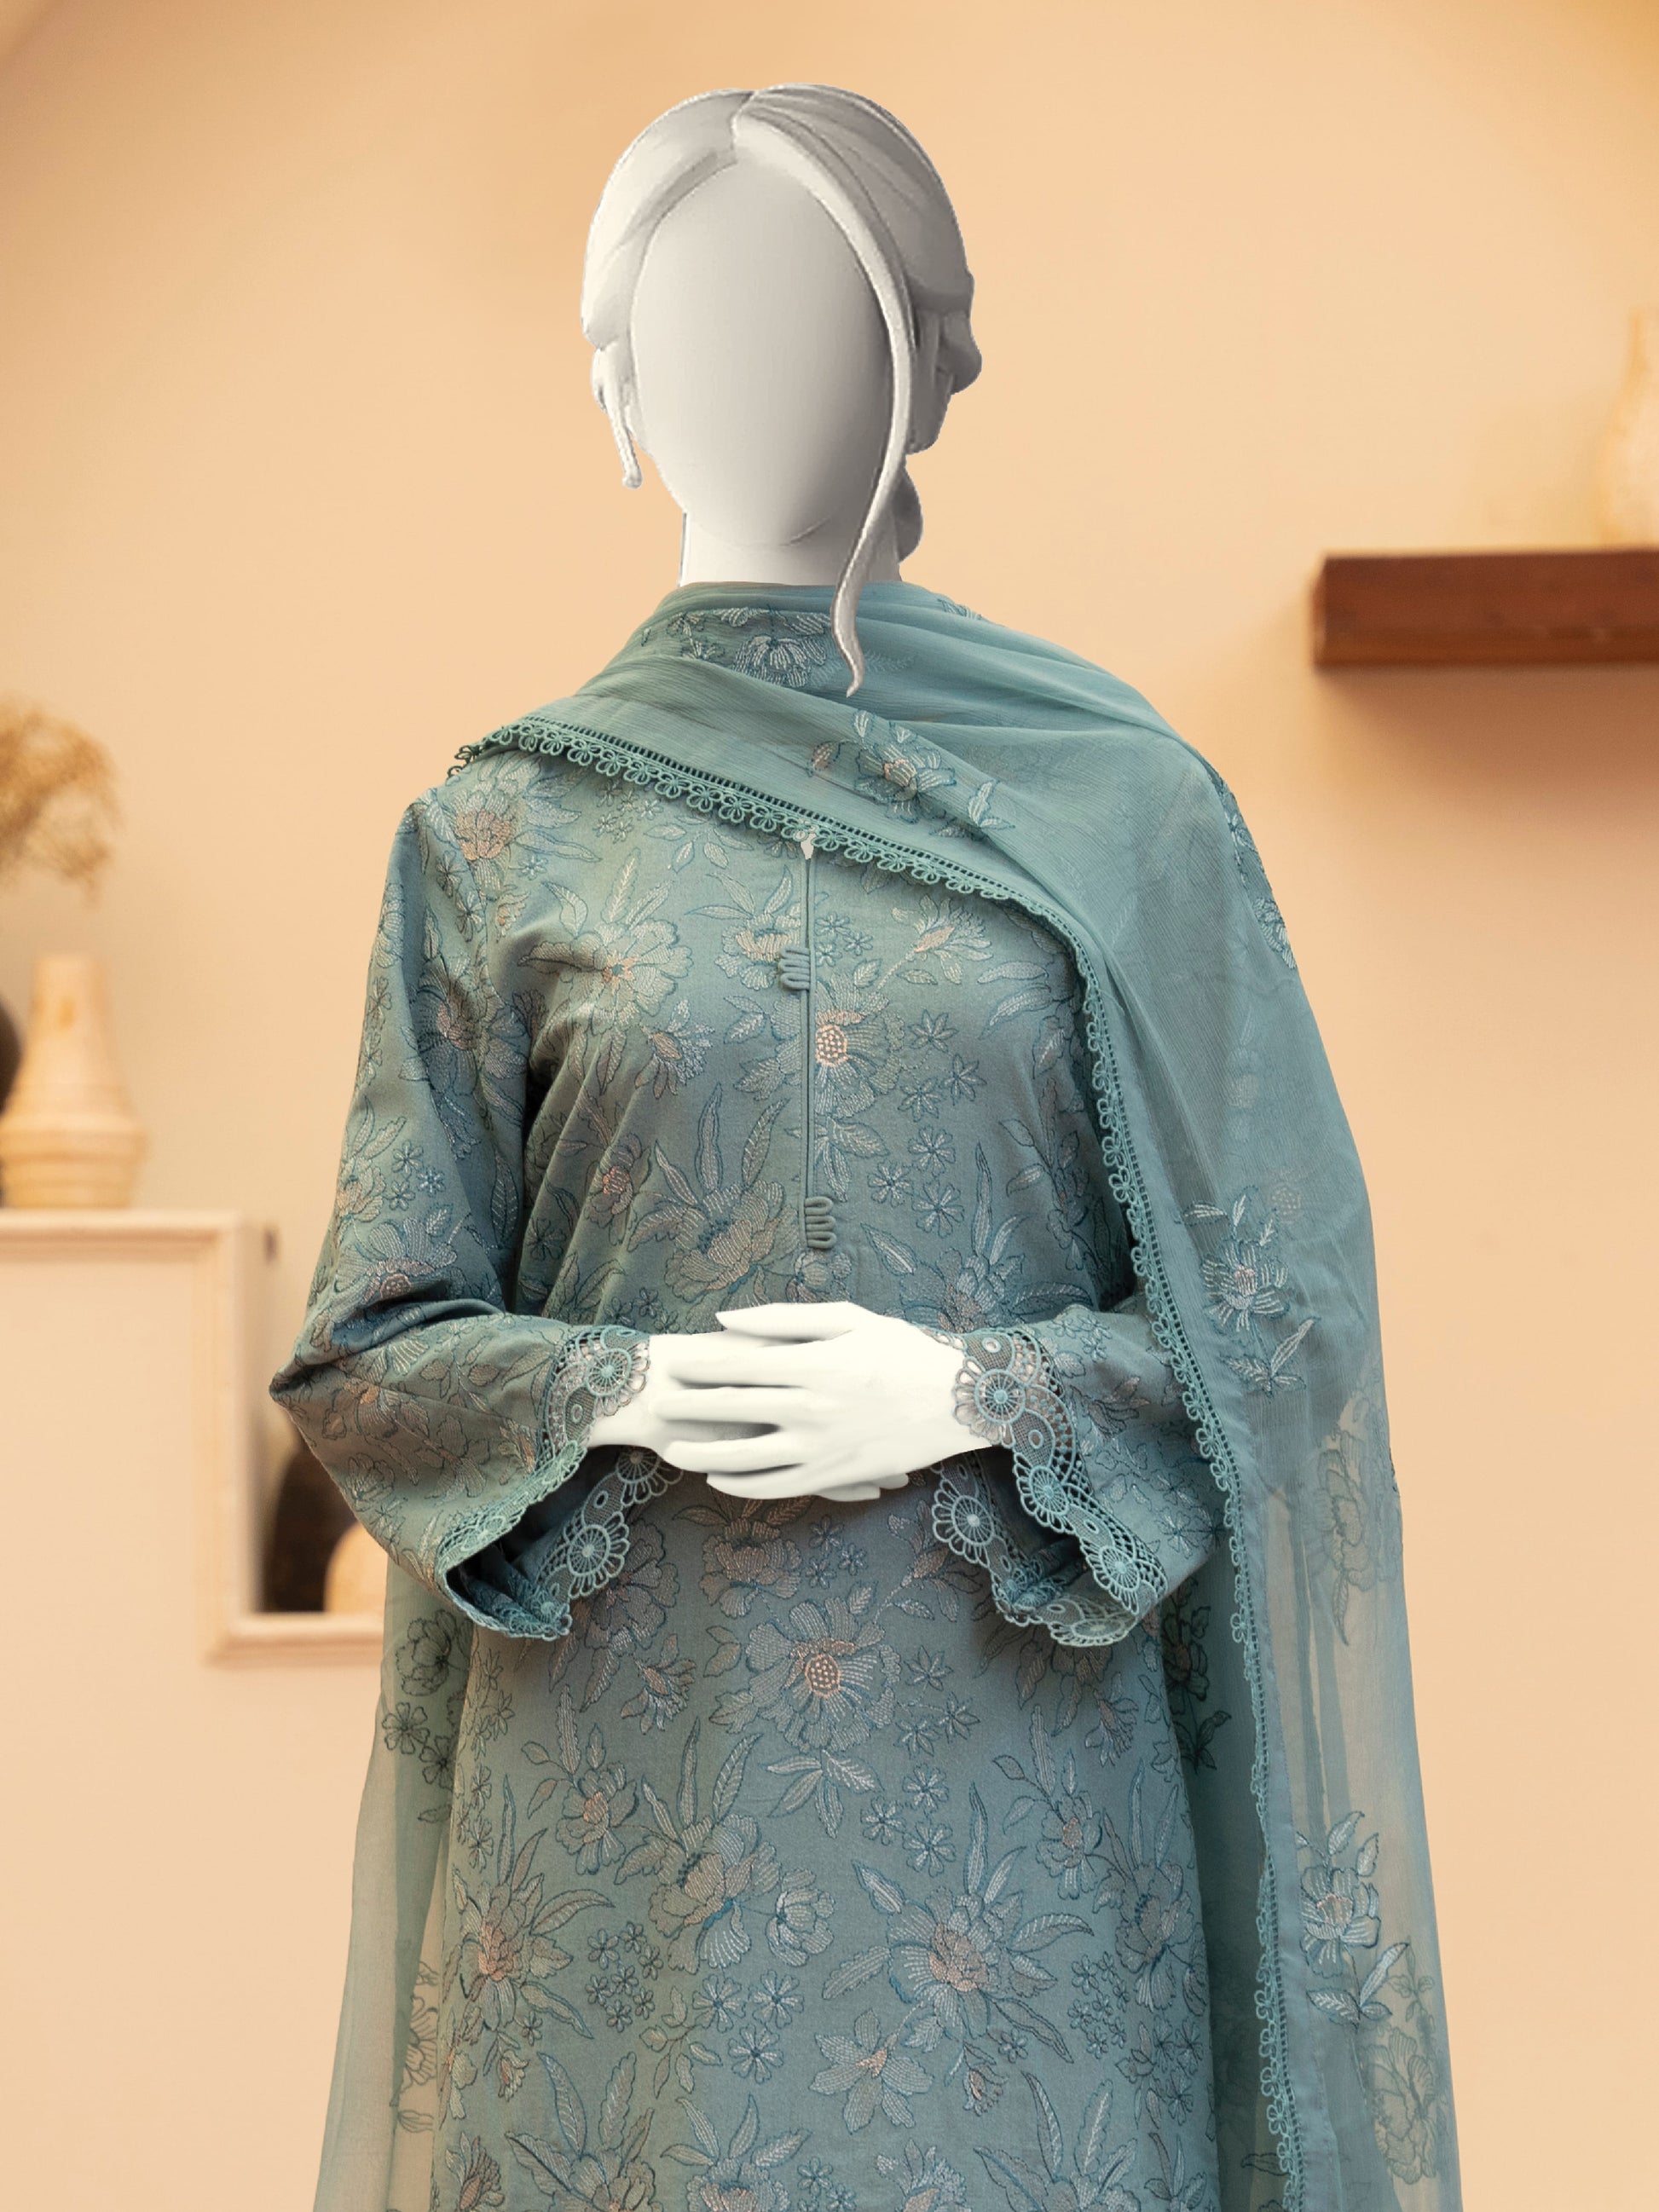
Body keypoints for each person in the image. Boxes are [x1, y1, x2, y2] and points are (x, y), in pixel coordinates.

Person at [273, 83, 1460, 2212]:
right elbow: (370, 1347)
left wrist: (972, 1390)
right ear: (615, 385)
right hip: (627, 1819)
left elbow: (1279, 1312)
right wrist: (630, 1383)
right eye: (699, 321)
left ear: (929, 362)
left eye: (820, 318)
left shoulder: (1129, 814)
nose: (761, 371)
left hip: (1019, 1806)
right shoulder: (500, 833)